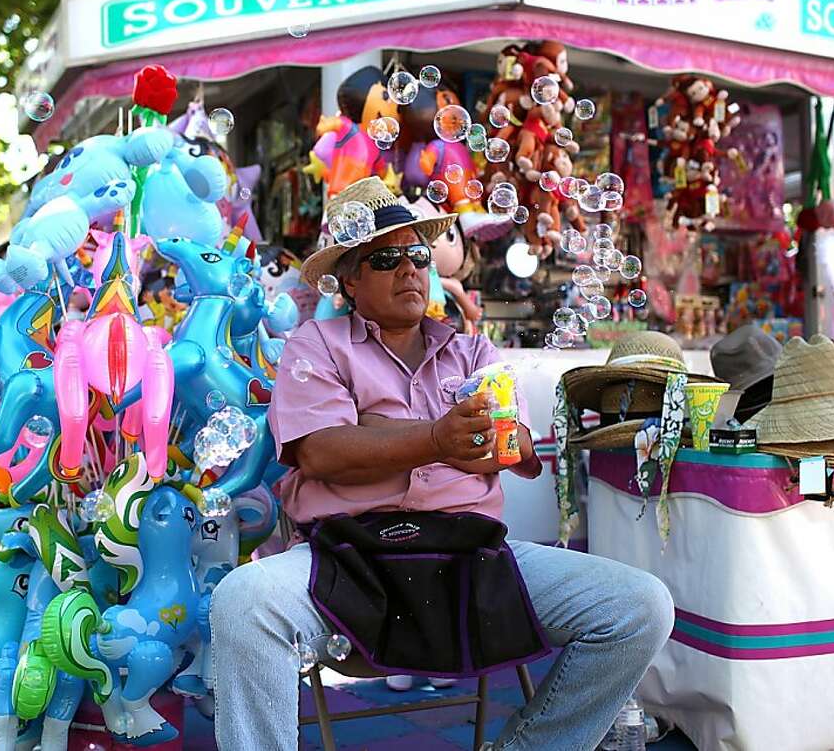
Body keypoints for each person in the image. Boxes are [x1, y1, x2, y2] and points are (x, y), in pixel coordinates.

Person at [209, 178, 673, 750]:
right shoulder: (318, 344)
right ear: (350, 279)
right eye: (386, 257)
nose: (409, 269)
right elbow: (323, 451)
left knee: (641, 607)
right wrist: (435, 438)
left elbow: (510, 448)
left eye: (418, 255)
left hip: (470, 556)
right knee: (241, 601)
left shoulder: (473, 351)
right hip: (348, 557)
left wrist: (496, 442)